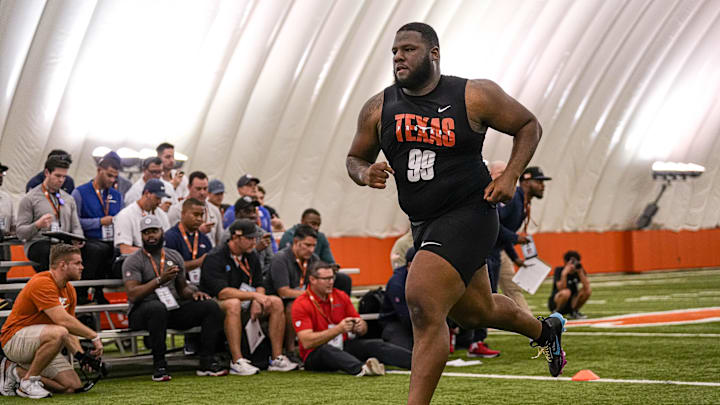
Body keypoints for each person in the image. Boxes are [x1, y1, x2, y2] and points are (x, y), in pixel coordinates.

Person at [345, 22, 567, 404]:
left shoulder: (473, 94)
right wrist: (366, 172)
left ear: (433, 53)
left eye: (408, 49)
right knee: (476, 312)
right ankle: (545, 331)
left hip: (471, 211)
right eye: (395, 51)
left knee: (422, 298)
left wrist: (512, 174)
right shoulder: (379, 106)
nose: (398, 56)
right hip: (423, 222)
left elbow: (528, 125)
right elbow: (354, 157)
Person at [122, 215, 227, 381]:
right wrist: (159, 281)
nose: (151, 236)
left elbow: (182, 288)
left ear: (161, 232)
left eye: (154, 231)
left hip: (171, 308)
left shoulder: (173, 256)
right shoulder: (133, 260)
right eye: (146, 232)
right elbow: (133, 294)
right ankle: (160, 365)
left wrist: (193, 294)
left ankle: (207, 360)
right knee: (157, 308)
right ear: (141, 235)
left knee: (210, 306)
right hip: (142, 312)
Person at [0, 244, 103, 398]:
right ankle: (28, 382)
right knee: (59, 331)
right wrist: (94, 336)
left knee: (72, 386)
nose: (82, 267)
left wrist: (81, 356)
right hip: (13, 340)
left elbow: (70, 329)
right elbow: (62, 321)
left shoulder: (69, 290)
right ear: (63, 265)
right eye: (77, 263)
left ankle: (15, 372)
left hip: (41, 343)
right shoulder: (42, 282)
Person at [201, 219, 298, 375]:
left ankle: (277, 357)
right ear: (235, 237)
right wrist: (253, 296)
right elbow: (222, 292)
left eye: (255, 238)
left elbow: (260, 283)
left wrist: (257, 298)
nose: (254, 242)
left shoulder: (251, 255)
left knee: (276, 302)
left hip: (246, 299)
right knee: (233, 304)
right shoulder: (215, 257)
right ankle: (237, 360)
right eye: (250, 238)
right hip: (214, 304)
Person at [293, 261, 412, 376]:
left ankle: (414, 362)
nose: (331, 282)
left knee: (375, 345)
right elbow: (307, 342)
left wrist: (360, 326)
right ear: (312, 280)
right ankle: (362, 368)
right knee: (326, 351)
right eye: (326, 279)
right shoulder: (301, 303)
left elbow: (363, 328)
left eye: (332, 278)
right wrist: (338, 329)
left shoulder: (340, 296)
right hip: (315, 354)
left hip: (343, 345)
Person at [71, 151, 124, 304]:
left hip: (111, 240)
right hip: (88, 240)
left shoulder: (116, 195)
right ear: (99, 170)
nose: (112, 180)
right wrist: (99, 222)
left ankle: (99, 289)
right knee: (97, 251)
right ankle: (82, 292)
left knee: (117, 250)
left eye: (115, 176)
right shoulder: (80, 193)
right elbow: (75, 222)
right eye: (109, 175)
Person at [16, 156, 84, 272]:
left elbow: (76, 226)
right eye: (58, 176)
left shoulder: (68, 199)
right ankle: (52, 286)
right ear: (47, 172)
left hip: (62, 243)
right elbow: (21, 233)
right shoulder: (30, 198)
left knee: (94, 251)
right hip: (39, 243)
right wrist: (37, 225)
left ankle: (84, 289)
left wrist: (78, 239)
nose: (61, 180)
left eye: (64, 176)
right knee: (53, 254)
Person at [487, 160, 532, 314]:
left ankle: (529, 321)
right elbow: (494, 225)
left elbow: (500, 230)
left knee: (510, 288)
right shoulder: (507, 198)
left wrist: (514, 257)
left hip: (497, 249)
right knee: (488, 291)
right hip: (484, 249)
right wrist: (515, 238)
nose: (504, 177)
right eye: (500, 173)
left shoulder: (514, 197)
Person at [114, 179, 171, 254]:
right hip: (135, 259)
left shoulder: (161, 214)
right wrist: (151, 253)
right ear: (147, 193)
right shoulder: (125, 215)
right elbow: (125, 249)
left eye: (160, 199)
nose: (159, 202)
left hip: (159, 256)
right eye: (157, 198)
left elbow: (168, 241)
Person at [164, 198, 214, 285]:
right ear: (183, 214)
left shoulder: (205, 239)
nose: (199, 219)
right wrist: (199, 262)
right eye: (195, 214)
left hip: (201, 288)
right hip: (177, 287)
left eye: (201, 215)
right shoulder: (170, 237)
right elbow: (170, 269)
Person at [167, 171, 222, 247]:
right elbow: (171, 238)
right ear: (189, 187)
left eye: (205, 188)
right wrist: (198, 231)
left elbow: (219, 239)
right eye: (198, 189)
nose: (202, 192)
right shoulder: (176, 210)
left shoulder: (214, 210)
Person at [380, 247, 416, 351]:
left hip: (417, 321)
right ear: (409, 265)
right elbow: (403, 315)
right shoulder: (397, 283)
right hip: (395, 322)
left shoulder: (426, 278)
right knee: (405, 351)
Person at [549, 251, 591, 319]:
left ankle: (574, 312)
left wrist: (580, 272)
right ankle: (556, 312)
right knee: (566, 292)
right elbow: (561, 288)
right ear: (566, 262)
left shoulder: (579, 271)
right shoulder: (559, 270)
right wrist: (564, 274)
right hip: (558, 301)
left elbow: (586, 287)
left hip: (573, 300)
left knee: (587, 291)